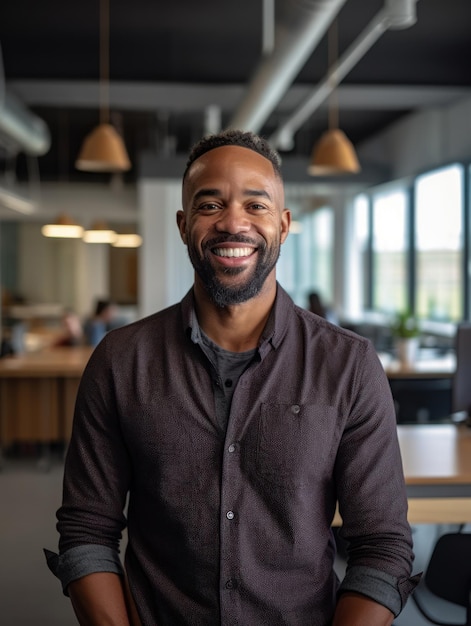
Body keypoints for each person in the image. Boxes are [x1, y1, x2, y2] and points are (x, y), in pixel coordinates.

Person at [45, 129, 420, 625]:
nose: (232, 223)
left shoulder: (348, 366)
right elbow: (87, 532)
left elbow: (381, 549)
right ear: (183, 225)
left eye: (256, 205)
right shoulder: (120, 361)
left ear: (284, 225)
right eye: (209, 205)